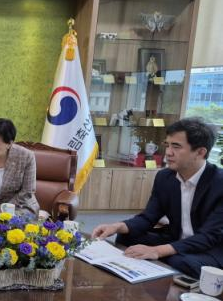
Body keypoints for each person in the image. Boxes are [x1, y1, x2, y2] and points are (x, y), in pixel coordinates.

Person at [92, 117, 223, 278]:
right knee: (127, 235)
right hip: (175, 240)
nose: (168, 152)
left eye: (176, 146)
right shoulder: (165, 177)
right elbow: (148, 218)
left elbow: (208, 236)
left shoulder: (219, 183)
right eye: (167, 145)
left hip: (210, 249)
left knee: (179, 262)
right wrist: (117, 226)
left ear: (200, 152)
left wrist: (157, 251)